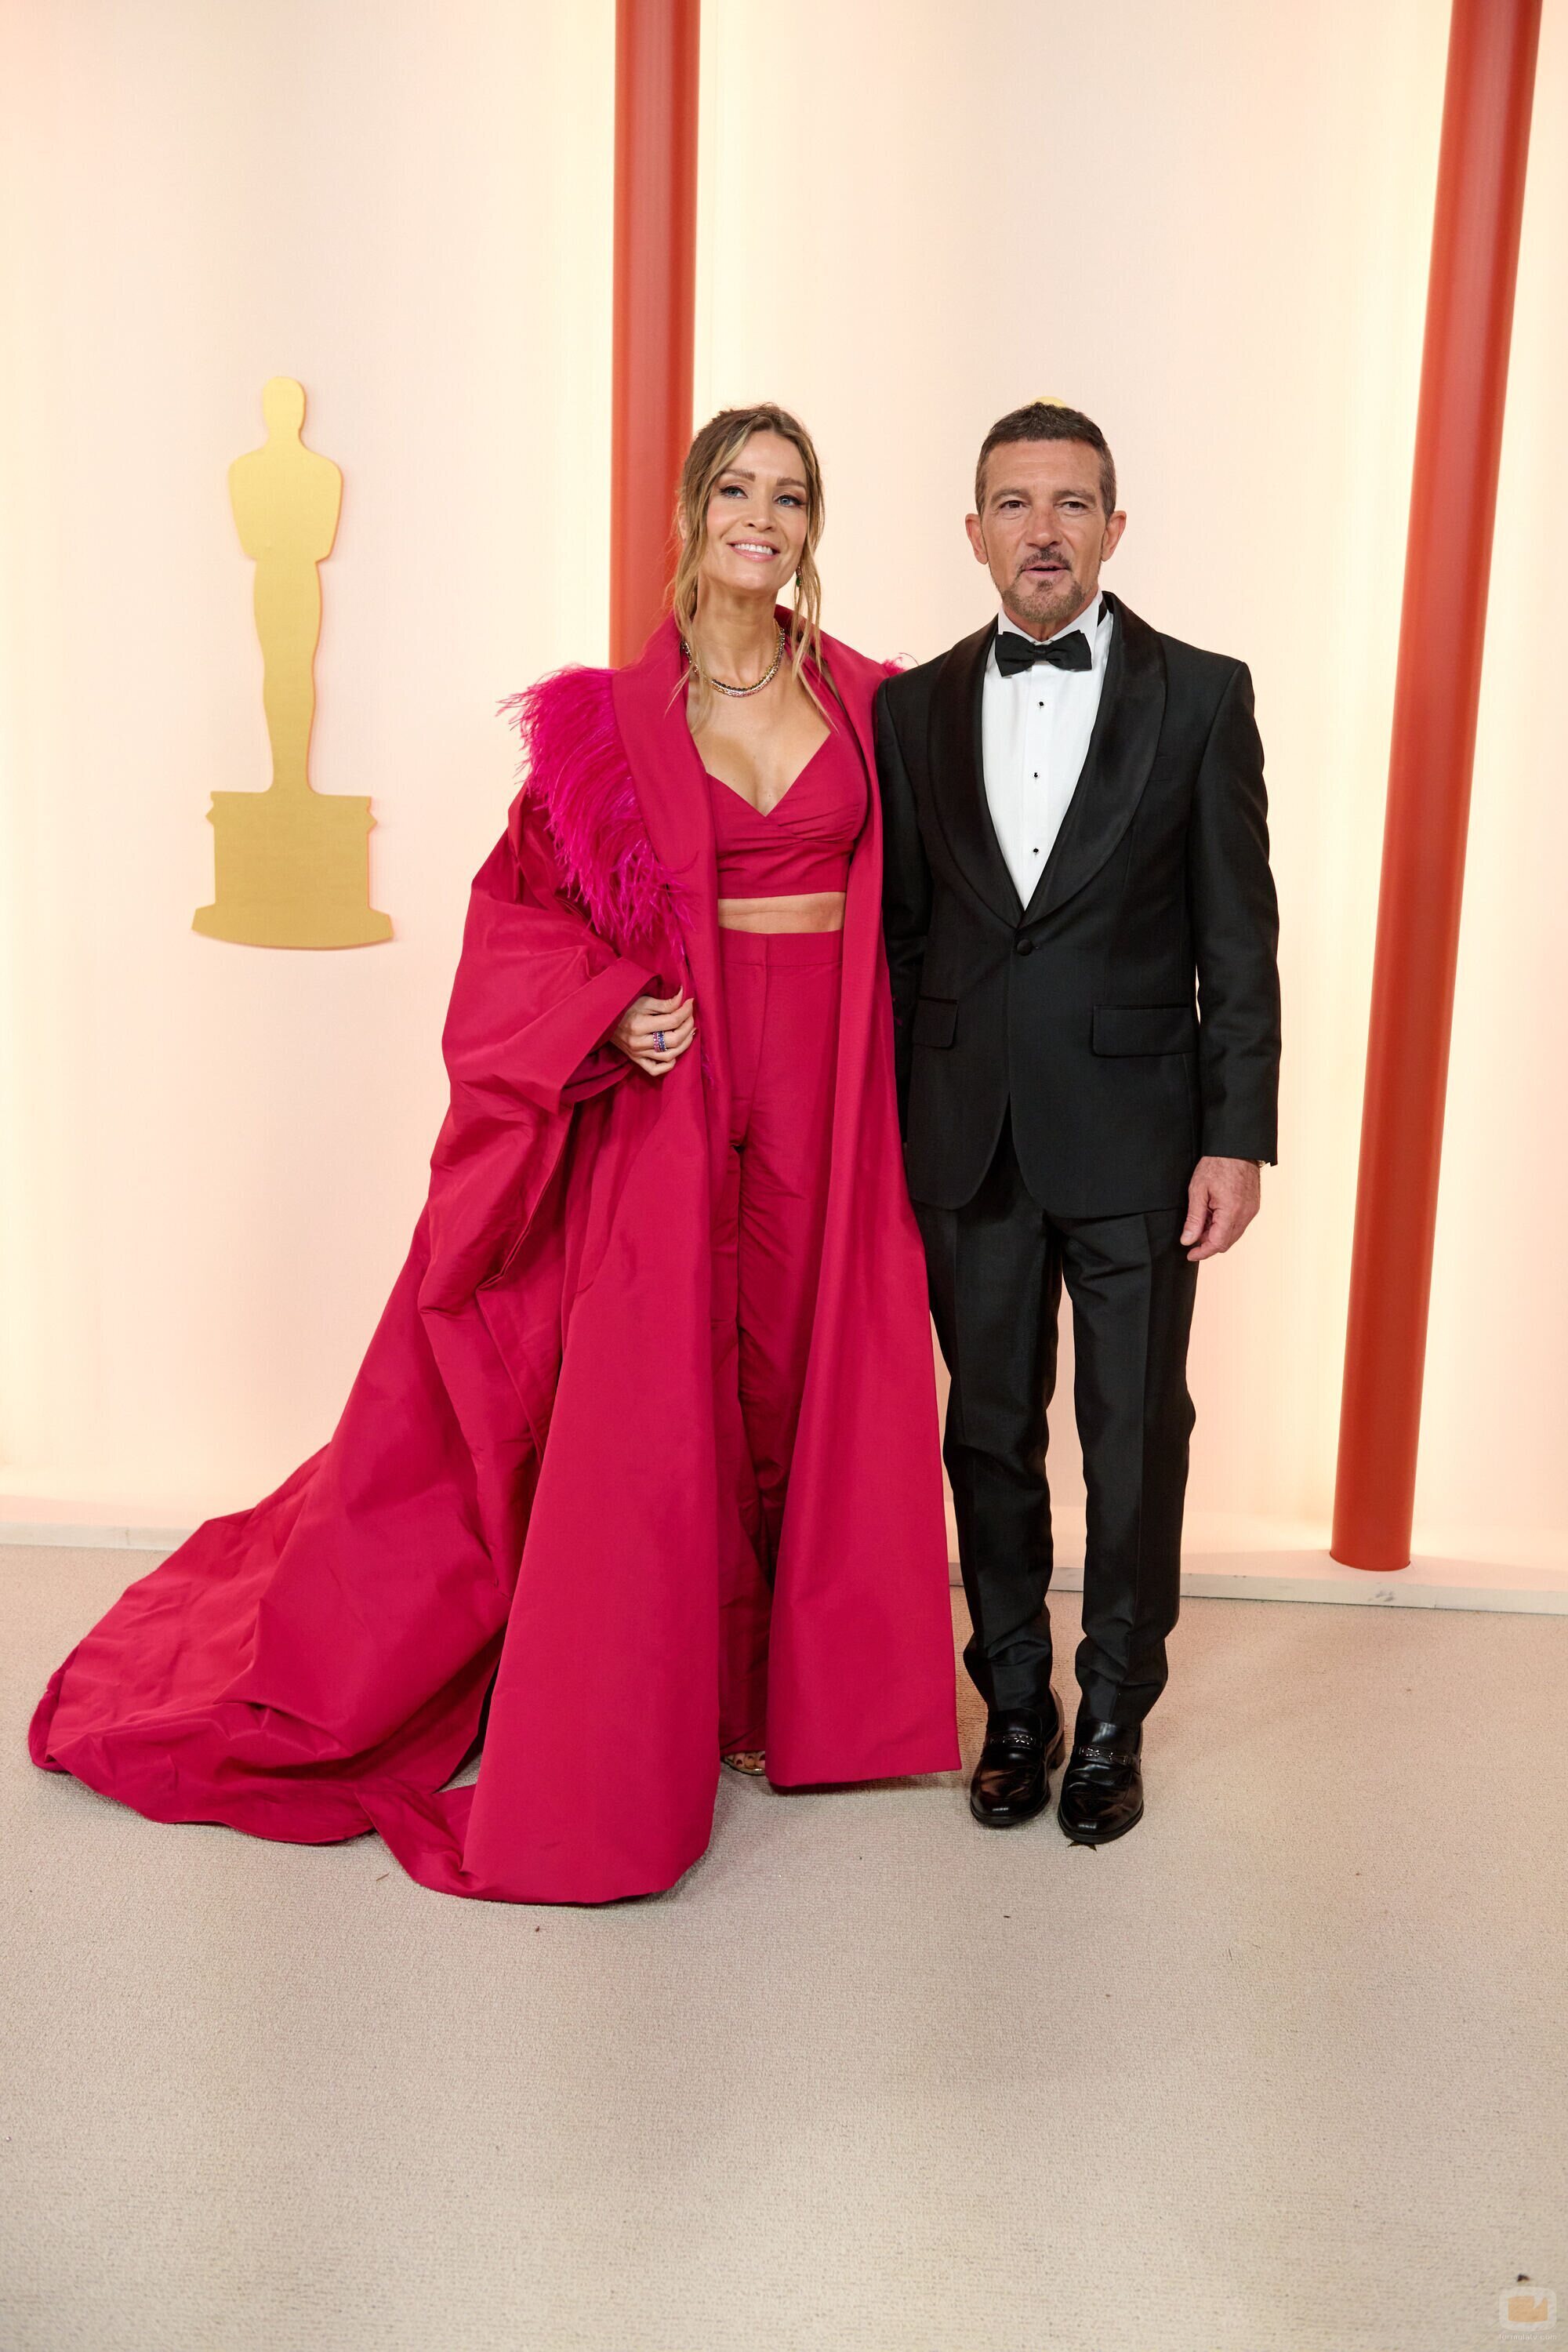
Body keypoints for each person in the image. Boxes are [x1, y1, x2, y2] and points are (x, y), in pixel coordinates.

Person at [31, 404, 959, 1904]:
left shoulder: (874, 705)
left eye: (790, 497)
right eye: (737, 489)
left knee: (805, 1362)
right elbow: (519, 914)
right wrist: (610, 1013)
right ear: (691, 512)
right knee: (669, 1382)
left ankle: (795, 1700)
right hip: (677, 1080)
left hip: (829, 1079)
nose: (762, 518)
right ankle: (677, 1696)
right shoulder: (607, 724)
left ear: (813, 526)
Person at [876, 400, 1279, 1846]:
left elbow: (1239, 939)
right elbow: (903, 938)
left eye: (1069, 504)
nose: (1041, 530)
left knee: (1134, 1436)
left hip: (1143, 1141)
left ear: (1113, 528)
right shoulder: (908, 709)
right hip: (967, 1137)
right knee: (986, 1434)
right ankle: (1015, 1706)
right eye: (1014, 503)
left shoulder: (1205, 695)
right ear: (973, 531)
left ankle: (1114, 1715)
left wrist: (1237, 1134)